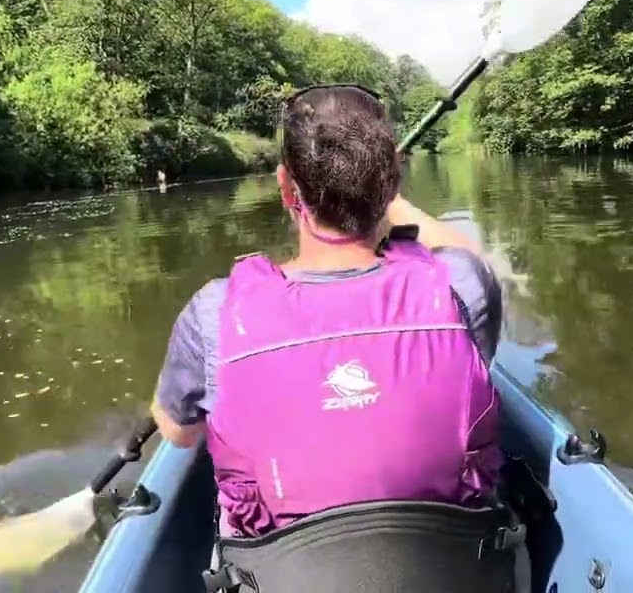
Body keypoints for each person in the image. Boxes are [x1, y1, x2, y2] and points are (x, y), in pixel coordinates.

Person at [149, 84, 523, 592]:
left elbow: (180, 432)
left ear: (286, 187)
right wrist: (390, 194)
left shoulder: (214, 313)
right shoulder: (462, 289)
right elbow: (469, 256)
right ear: (391, 188)